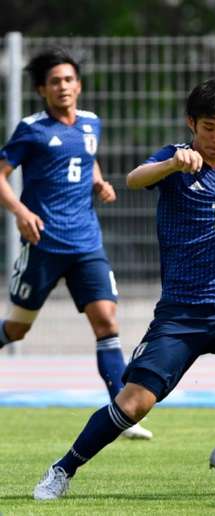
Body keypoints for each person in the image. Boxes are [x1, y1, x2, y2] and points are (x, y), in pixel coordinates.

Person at [33, 78, 215, 500]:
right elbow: (136, 179)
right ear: (191, 123)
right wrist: (173, 164)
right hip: (181, 313)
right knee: (133, 403)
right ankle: (63, 470)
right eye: (209, 127)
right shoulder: (178, 159)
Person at [0, 48, 150, 440]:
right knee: (16, 330)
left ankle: (122, 413)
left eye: (68, 80)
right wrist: (20, 211)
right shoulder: (31, 129)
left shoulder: (91, 124)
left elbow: (87, 158)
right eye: (54, 82)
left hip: (86, 243)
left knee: (107, 321)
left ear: (78, 85)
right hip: (44, 245)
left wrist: (98, 181)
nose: (63, 87)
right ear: (42, 90)